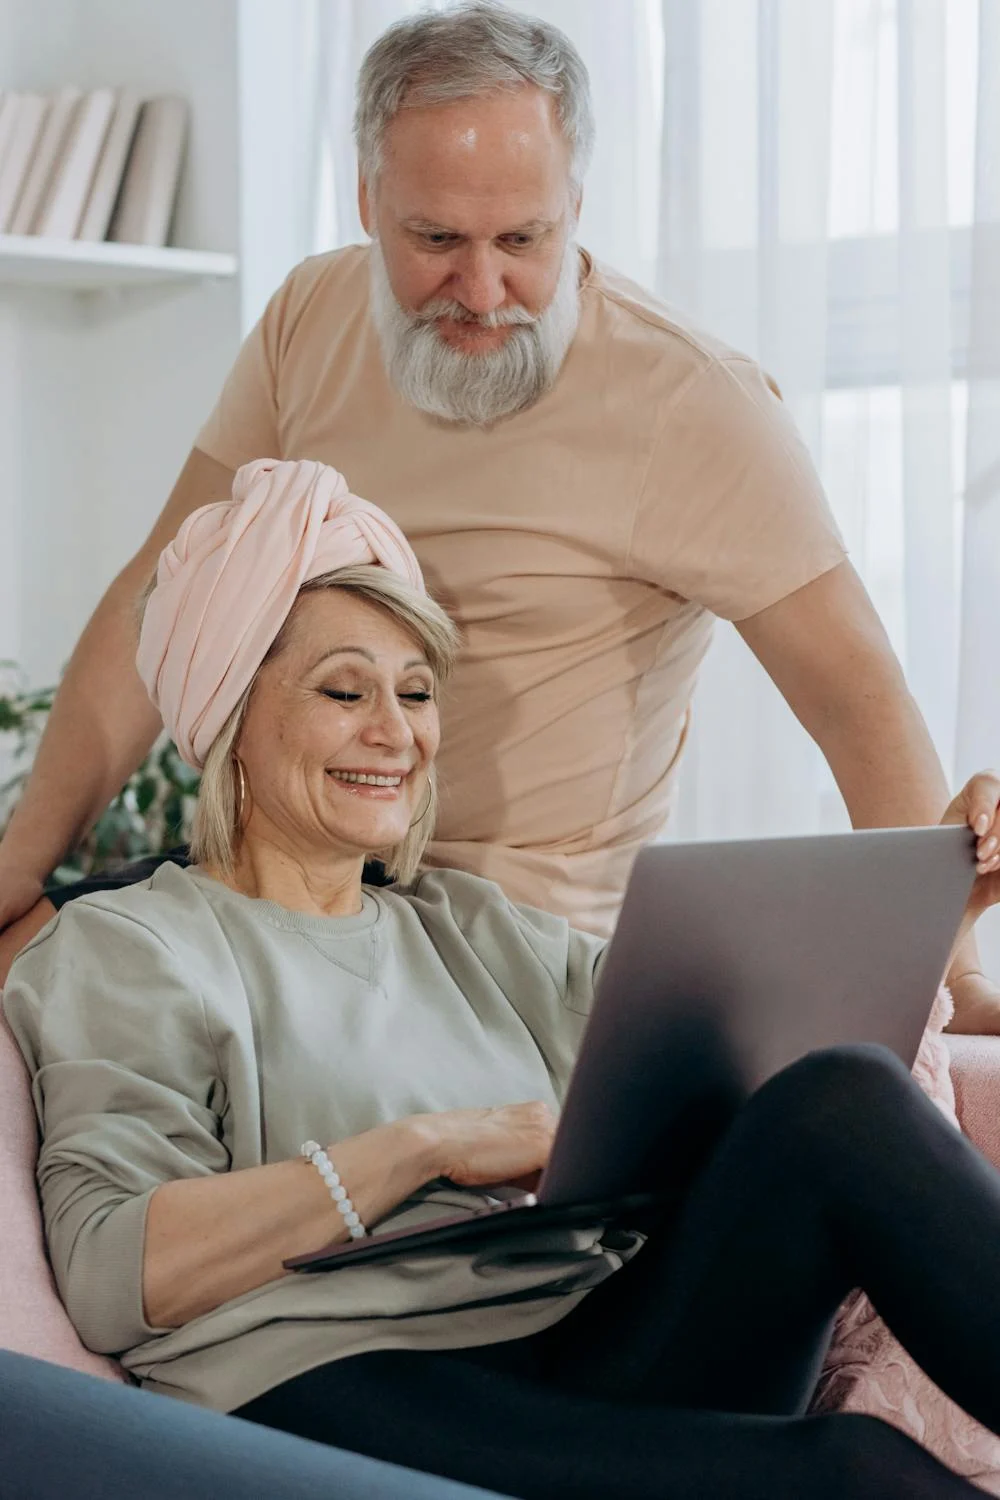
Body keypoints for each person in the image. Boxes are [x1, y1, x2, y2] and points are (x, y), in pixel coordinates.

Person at [5, 457, 1000, 1500]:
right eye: (345, 692)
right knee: (857, 1472)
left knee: (838, 1099)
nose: (395, 733)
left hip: (575, 1336)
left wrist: (939, 900)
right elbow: (114, 1272)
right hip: (331, 1384)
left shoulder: (471, 926)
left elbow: (747, 1066)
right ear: (230, 721)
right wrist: (422, 1148)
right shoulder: (130, 947)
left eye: (416, 692)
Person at [0, 5, 996, 1029]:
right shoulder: (310, 316)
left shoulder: (693, 402)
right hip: (292, 891)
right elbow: (154, 597)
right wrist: (20, 864)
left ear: (576, 203)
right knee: (31, 967)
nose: (481, 291)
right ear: (365, 199)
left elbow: (855, 699)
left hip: (512, 955)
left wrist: (954, 980)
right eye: (434, 239)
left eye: (524, 239)